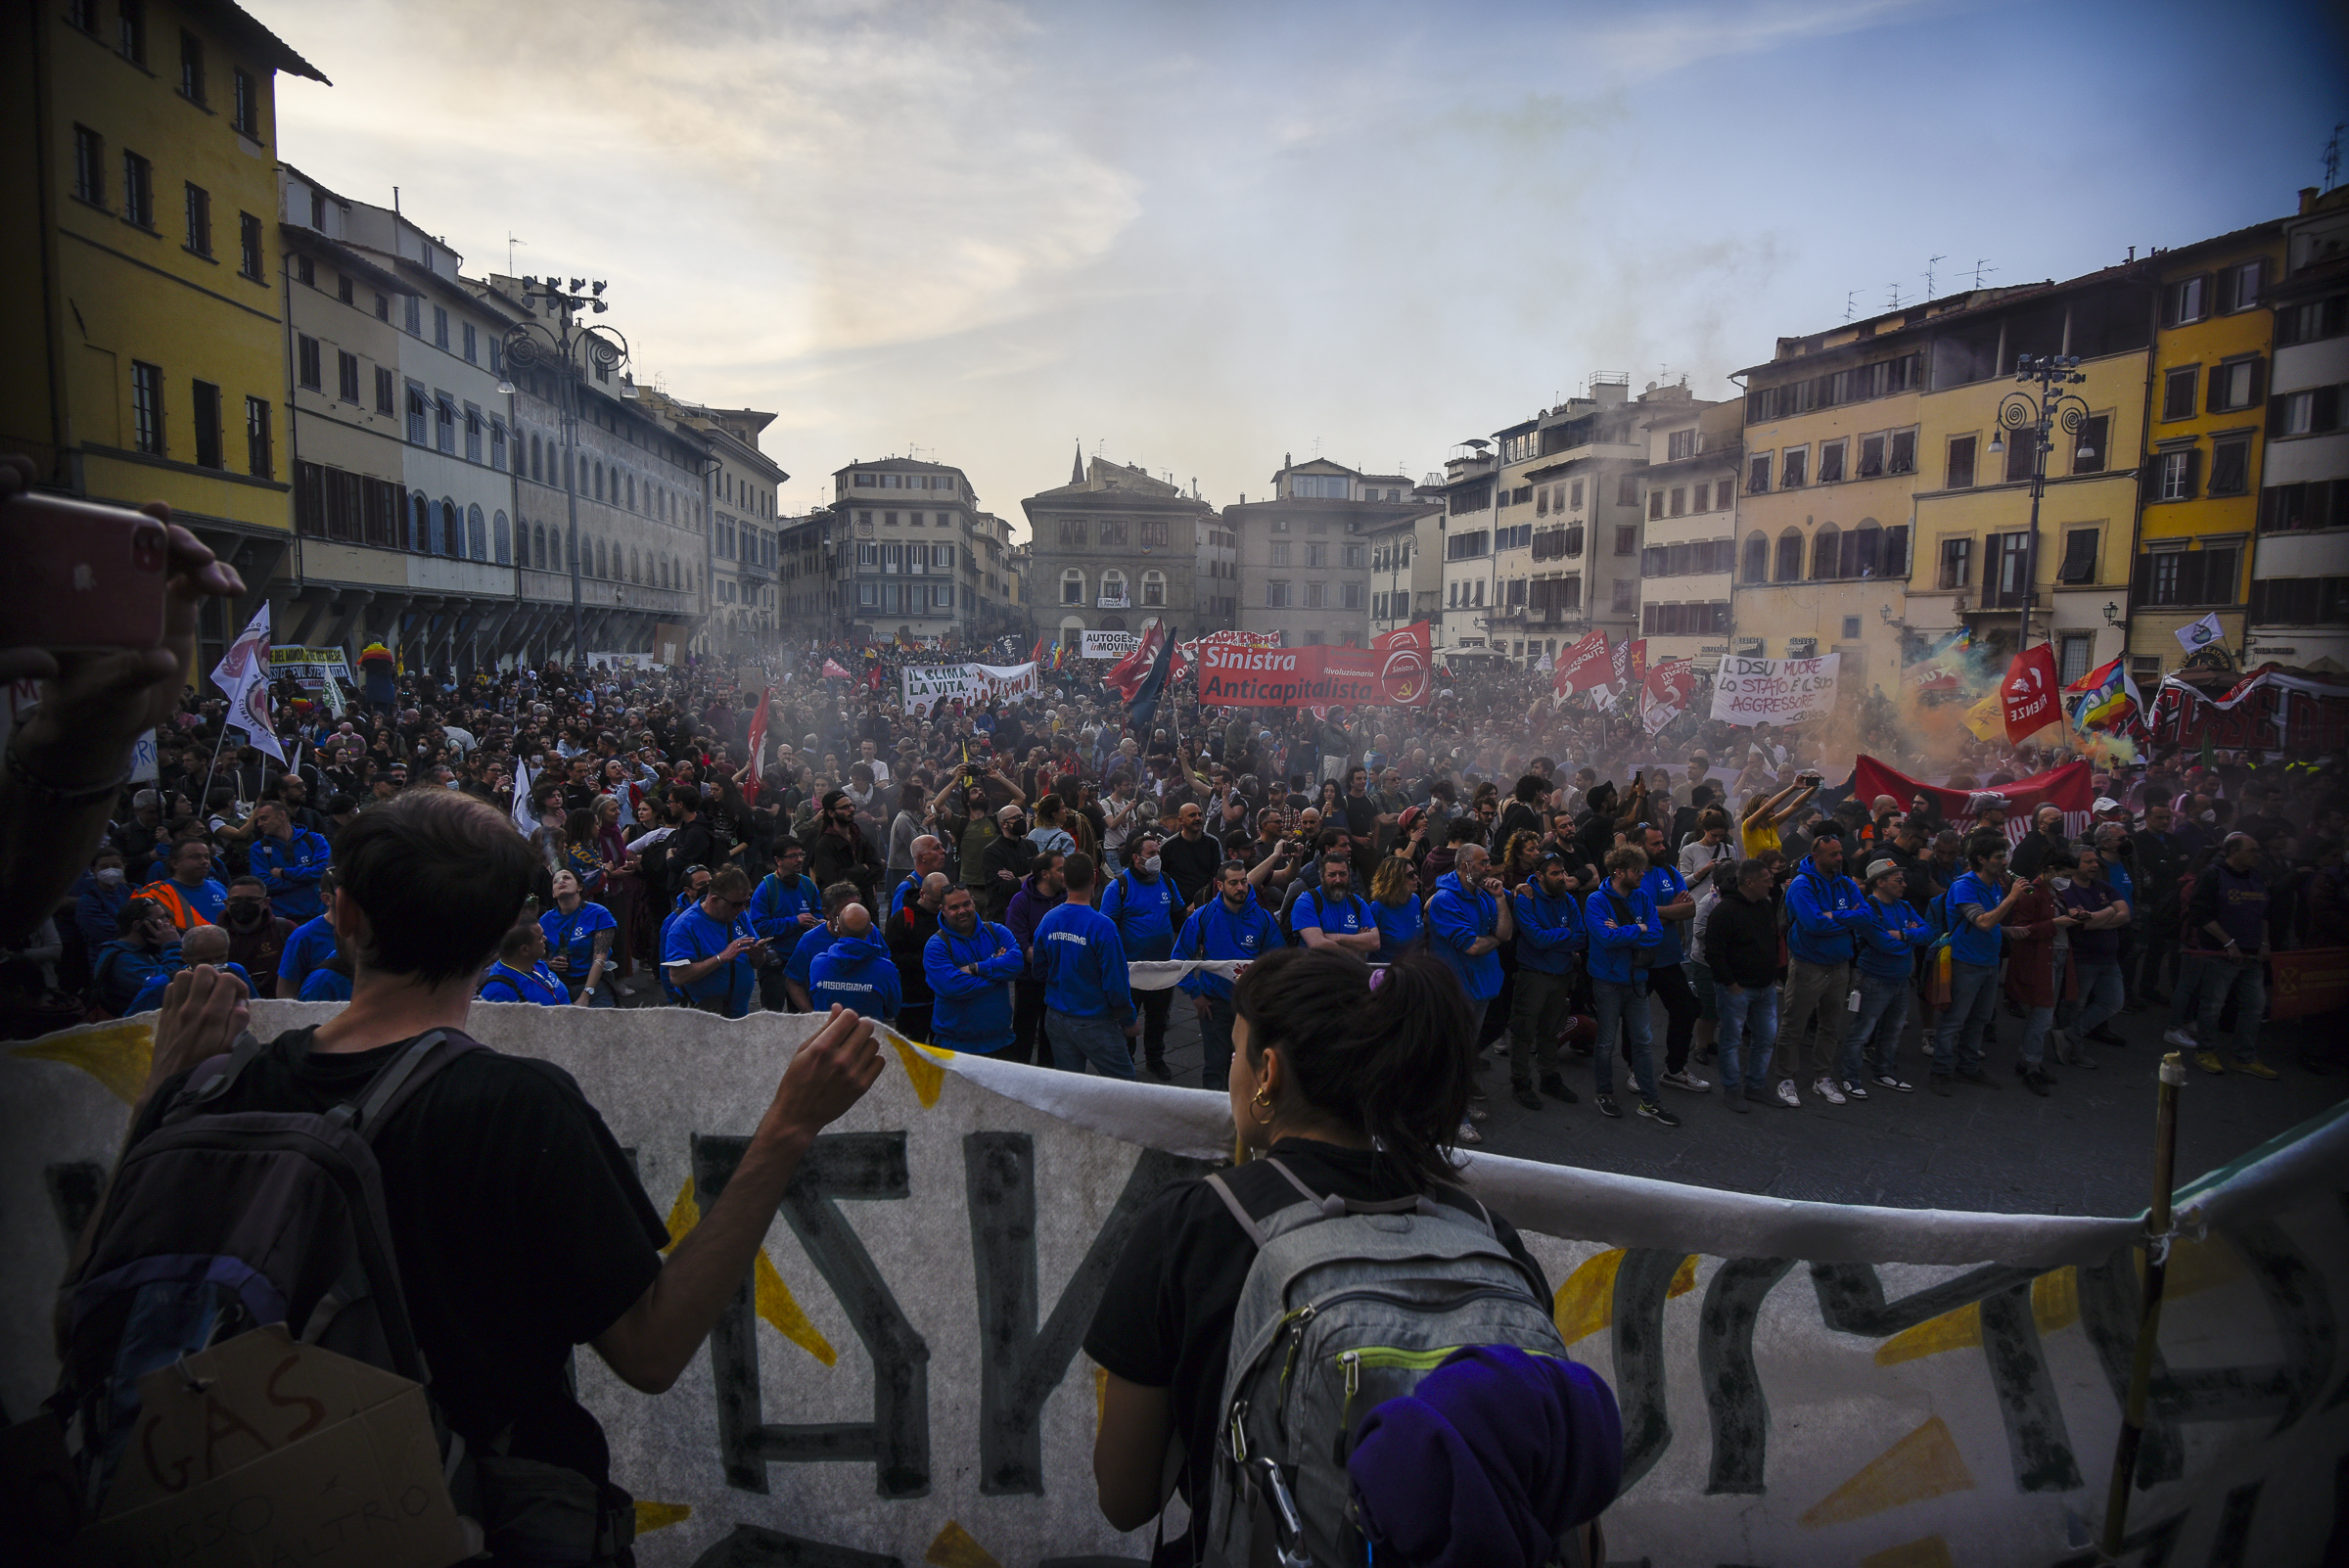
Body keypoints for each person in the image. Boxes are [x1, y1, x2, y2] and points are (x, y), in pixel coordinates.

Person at [110, 788, 884, 1550]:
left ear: (342, 916)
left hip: (245, 1517)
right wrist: (788, 1128)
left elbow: (99, 1310)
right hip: (470, 1518)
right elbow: (651, 1349)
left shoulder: (224, 1082)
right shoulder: (520, 1107)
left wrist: (163, 1101)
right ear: (502, 936)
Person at [1084, 947, 1563, 1554]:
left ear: (1268, 1073)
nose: (1233, 1067)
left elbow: (1125, 1498)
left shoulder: (1191, 1226)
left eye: (1237, 1051)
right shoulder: (1484, 1230)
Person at [1427, 842, 1514, 1146]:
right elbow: (1472, 946)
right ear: (1465, 867)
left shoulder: (1485, 896)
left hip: (1483, 986)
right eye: (1482, 863)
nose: (1488, 868)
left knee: (1465, 1054)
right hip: (1457, 990)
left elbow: (1505, 933)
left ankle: (1460, 1105)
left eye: (1488, 862)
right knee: (1452, 1057)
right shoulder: (1445, 901)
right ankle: (1452, 1119)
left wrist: (1501, 899)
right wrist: (1492, 939)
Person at [1174, 859, 1284, 1091]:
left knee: (1248, 1066)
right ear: (1220, 885)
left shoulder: (1263, 918)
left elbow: (1277, 962)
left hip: (1251, 1006)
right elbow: (1179, 958)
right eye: (1233, 883)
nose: (1241, 887)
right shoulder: (1203, 916)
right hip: (1215, 1005)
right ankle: (1212, 1117)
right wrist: (1194, 994)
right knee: (1215, 1066)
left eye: (1243, 881)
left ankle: (1242, 1117)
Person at [1586, 845, 1674, 1126]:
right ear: (1619, 871)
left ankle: (1650, 1101)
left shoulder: (1643, 898)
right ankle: (1603, 1093)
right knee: (1606, 1042)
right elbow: (1605, 939)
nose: (1641, 875)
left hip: (1637, 980)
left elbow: (1656, 934)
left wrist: (1627, 932)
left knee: (1644, 1043)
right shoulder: (1596, 901)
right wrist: (1640, 929)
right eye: (1637, 871)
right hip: (1608, 982)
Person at [1933, 835, 2027, 1094]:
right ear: (1981, 859)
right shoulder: (1965, 886)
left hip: (1988, 962)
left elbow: (1991, 923)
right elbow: (1983, 922)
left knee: (1979, 1019)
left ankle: (1968, 1067)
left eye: (2003, 856)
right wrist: (2012, 898)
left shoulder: (1994, 885)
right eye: (1998, 857)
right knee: (1954, 1020)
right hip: (1966, 963)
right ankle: (1940, 1071)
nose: (2003, 862)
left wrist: (2007, 930)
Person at [2182, 832, 2280, 1079]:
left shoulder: (2257, 878)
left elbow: (2263, 914)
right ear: (2234, 852)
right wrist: (2228, 943)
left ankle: (2243, 1058)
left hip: (2253, 956)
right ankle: (2206, 1051)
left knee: (2255, 1007)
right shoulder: (2213, 875)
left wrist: (2265, 943)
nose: (2258, 855)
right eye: (2252, 851)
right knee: (2213, 1005)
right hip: (2220, 954)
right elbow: (2201, 914)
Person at [1776, 830, 1863, 1107]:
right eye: (1833, 854)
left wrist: (1834, 916)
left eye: (1840, 853)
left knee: (1831, 1026)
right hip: (1808, 967)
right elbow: (1813, 924)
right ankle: (1786, 1078)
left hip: (1839, 967)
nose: (1839, 858)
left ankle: (1822, 1078)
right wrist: (1849, 919)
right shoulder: (1802, 885)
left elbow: (1867, 916)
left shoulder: (1845, 883)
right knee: (1794, 1024)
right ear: (1816, 857)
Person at [1035, 853, 1139, 1078]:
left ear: (1064, 880)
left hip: (1057, 1019)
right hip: (1096, 1022)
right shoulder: (1103, 927)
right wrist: (1128, 1019)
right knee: (1125, 1088)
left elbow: (1039, 969)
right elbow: (1116, 983)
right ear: (1094, 878)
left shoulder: (1049, 920)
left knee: (1072, 1088)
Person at [1098, 831, 1182, 1081]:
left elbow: (1178, 915)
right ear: (1136, 858)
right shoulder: (1119, 886)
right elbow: (1108, 927)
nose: (1156, 857)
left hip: (1162, 967)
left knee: (1158, 1019)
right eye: (1151, 854)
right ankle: (1127, 1061)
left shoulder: (1166, 881)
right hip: (1131, 969)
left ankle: (1155, 1059)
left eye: (1157, 853)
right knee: (1128, 1019)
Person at [1845, 859, 1932, 1094]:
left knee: (1892, 1032)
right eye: (1898, 880)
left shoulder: (1903, 907)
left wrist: (1904, 935)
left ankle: (1884, 1072)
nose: (1904, 884)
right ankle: (1850, 1077)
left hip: (1901, 981)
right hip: (1874, 980)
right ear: (1880, 882)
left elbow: (1928, 932)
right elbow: (1884, 944)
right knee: (1862, 1031)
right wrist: (1911, 938)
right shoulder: (1869, 909)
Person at [1507, 852, 1585, 1111]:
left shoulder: (1568, 900)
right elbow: (1535, 939)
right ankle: (1520, 1081)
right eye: (1555, 873)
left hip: (1561, 975)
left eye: (1563, 872)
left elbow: (1582, 937)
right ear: (1539, 875)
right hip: (1533, 975)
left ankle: (1549, 1077)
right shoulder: (1526, 899)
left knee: (1550, 1031)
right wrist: (1565, 934)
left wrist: (1557, 938)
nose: (1562, 877)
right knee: (1523, 1030)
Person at [1704, 858, 1781, 1112]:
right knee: (1731, 1039)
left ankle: (1756, 1085)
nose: (1771, 883)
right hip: (1737, 988)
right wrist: (1731, 984)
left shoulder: (1764, 906)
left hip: (1764, 986)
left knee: (1766, 1037)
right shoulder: (1724, 911)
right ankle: (1732, 1088)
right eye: (1766, 879)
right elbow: (1713, 952)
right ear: (1749, 882)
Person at [2003, 849, 2082, 1096]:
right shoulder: (2031, 894)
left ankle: (2028, 1061)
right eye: (2064, 875)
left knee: (2043, 1014)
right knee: (2043, 1016)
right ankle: (2032, 1066)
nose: (2067, 880)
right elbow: (2020, 930)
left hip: (2055, 958)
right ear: (2050, 871)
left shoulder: (2054, 893)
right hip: (2039, 961)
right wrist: (2055, 924)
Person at [1636, 824, 1707, 1094]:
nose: (1662, 847)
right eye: (1655, 844)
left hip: (1668, 958)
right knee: (1635, 1019)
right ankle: (1633, 1069)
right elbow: (1633, 916)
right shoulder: (1633, 876)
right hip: (1641, 959)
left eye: (1662, 842)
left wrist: (1656, 915)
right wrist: (1669, 912)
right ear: (1640, 847)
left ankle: (1675, 1070)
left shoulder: (1669, 871)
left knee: (1686, 1009)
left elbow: (1690, 909)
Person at [924, 884, 1026, 1055]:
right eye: (954, 907)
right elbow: (953, 986)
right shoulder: (936, 946)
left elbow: (1016, 963)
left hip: (1001, 1042)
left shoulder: (996, 931)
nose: (962, 910)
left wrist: (976, 967)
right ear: (942, 909)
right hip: (955, 1047)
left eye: (966, 904)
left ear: (973, 902)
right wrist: (998, 972)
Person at [2056, 843, 2132, 1068]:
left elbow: (2125, 915)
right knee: (2074, 1006)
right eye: (2088, 861)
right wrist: (2110, 911)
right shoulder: (2066, 890)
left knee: (2113, 1002)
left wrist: (2097, 918)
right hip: (2082, 959)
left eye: (2095, 861)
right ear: (2074, 864)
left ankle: (2067, 1036)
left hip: (2109, 958)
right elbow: (2082, 925)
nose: (2094, 865)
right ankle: (2074, 1051)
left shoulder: (2104, 886)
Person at [663, 865, 770, 1018]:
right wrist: (721, 958)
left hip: (738, 1013)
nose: (742, 909)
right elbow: (677, 977)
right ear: (714, 900)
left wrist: (758, 955)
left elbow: (757, 962)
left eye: (746, 902)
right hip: (702, 1016)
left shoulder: (737, 916)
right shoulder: (684, 926)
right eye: (736, 904)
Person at [749, 840, 823, 1012]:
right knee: (772, 1014)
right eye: (792, 856)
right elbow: (758, 926)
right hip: (775, 964)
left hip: (802, 962)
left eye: (801, 855)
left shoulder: (807, 885)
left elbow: (817, 914)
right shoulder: (766, 888)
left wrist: (818, 923)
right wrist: (795, 921)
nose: (799, 860)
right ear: (778, 860)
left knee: (801, 1016)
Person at [123, 924, 252, 1015]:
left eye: (220, 957)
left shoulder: (236, 971)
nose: (214, 965)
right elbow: (130, 1027)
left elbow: (255, 1010)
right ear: (184, 957)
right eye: (204, 961)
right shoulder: (161, 986)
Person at [806, 901, 902, 1022]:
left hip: (827, 1036)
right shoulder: (886, 970)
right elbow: (893, 1010)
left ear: (839, 929)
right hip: (869, 1036)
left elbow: (814, 1000)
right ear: (871, 929)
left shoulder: (818, 964)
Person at [885, 872, 949, 1040]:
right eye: (936, 902)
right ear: (922, 894)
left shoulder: (948, 916)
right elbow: (892, 958)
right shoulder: (902, 919)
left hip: (942, 999)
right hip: (912, 1001)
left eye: (944, 901)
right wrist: (929, 960)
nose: (940, 907)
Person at [246, 799, 333, 923]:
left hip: (317, 915)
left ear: (282, 816)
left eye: (264, 818)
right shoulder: (259, 848)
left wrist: (284, 873)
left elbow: (323, 871)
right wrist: (308, 880)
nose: (259, 824)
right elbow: (263, 885)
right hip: (280, 919)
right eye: (257, 820)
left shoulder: (314, 840)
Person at [542, 868, 619, 1007]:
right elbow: (535, 956)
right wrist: (549, 963)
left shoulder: (599, 913)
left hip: (594, 985)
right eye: (556, 881)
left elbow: (599, 959)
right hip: (559, 986)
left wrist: (586, 994)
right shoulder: (544, 921)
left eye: (567, 877)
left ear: (579, 887)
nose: (561, 881)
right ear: (553, 893)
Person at [91, 898, 179, 1016]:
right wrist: (173, 946)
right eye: (160, 919)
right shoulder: (121, 960)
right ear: (138, 925)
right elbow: (167, 984)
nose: (167, 924)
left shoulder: (148, 949)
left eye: (166, 917)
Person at [1290, 850, 1379, 958]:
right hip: (1317, 972)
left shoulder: (1357, 903)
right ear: (1322, 877)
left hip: (1351, 972)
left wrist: (1334, 937)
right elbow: (1318, 945)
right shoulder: (1307, 902)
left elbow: (1374, 942)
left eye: (1342, 874)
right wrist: (1356, 946)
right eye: (1332, 875)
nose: (1338, 880)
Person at [218, 874, 295, 996]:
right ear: (227, 904)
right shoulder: (214, 936)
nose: (243, 904)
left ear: (265, 902)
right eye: (236, 900)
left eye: (251, 899)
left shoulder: (286, 929)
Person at [136, 836, 228, 932]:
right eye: (195, 857)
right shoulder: (156, 892)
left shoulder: (219, 886)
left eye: (207, 857)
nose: (204, 861)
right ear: (175, 864)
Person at [477, 921, 571, 1006]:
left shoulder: (535, 963)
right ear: (525, 950)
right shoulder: (500, 992)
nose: (545, 938)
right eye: (540, 938)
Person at [1366, 853, 1424, 963]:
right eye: (1410, 874)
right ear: (1395, 879)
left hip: (1412, 971)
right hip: (1386, 972)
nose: (1416, 877)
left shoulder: (1415, 900)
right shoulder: (1377, 908)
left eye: (1415, 873)